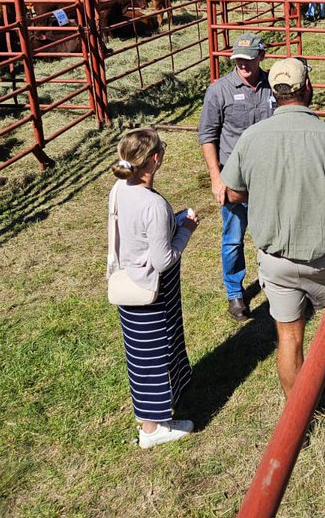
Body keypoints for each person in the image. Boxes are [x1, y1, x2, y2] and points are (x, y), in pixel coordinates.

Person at [220, 58, 325, 408]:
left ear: (274, 94)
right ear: (308, 89)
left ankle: (298, 410)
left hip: (275, 260)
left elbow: (234, 192)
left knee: (288, 334)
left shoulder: (251, 138)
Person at [108, 128, 199, 448]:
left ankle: (154, 416)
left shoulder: (120, 188)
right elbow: (163, 260)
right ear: (156, 158)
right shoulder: (152, 204)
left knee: (142, 356)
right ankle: (153, 428)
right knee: (154, 356)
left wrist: (170, 223)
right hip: (151, 290)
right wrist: (185, 228)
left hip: (129, 281)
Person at [198, 32, 275, 321]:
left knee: (272, 232)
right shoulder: (219, 91)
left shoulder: (273, 86)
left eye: (249, 59)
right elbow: (207, 136)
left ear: (261, 57)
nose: (243, 65)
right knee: (233, 237)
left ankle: (274, 283)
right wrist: (216, 178)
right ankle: (234, 291)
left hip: (268, 174)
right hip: (235, 174)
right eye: (238, 60)